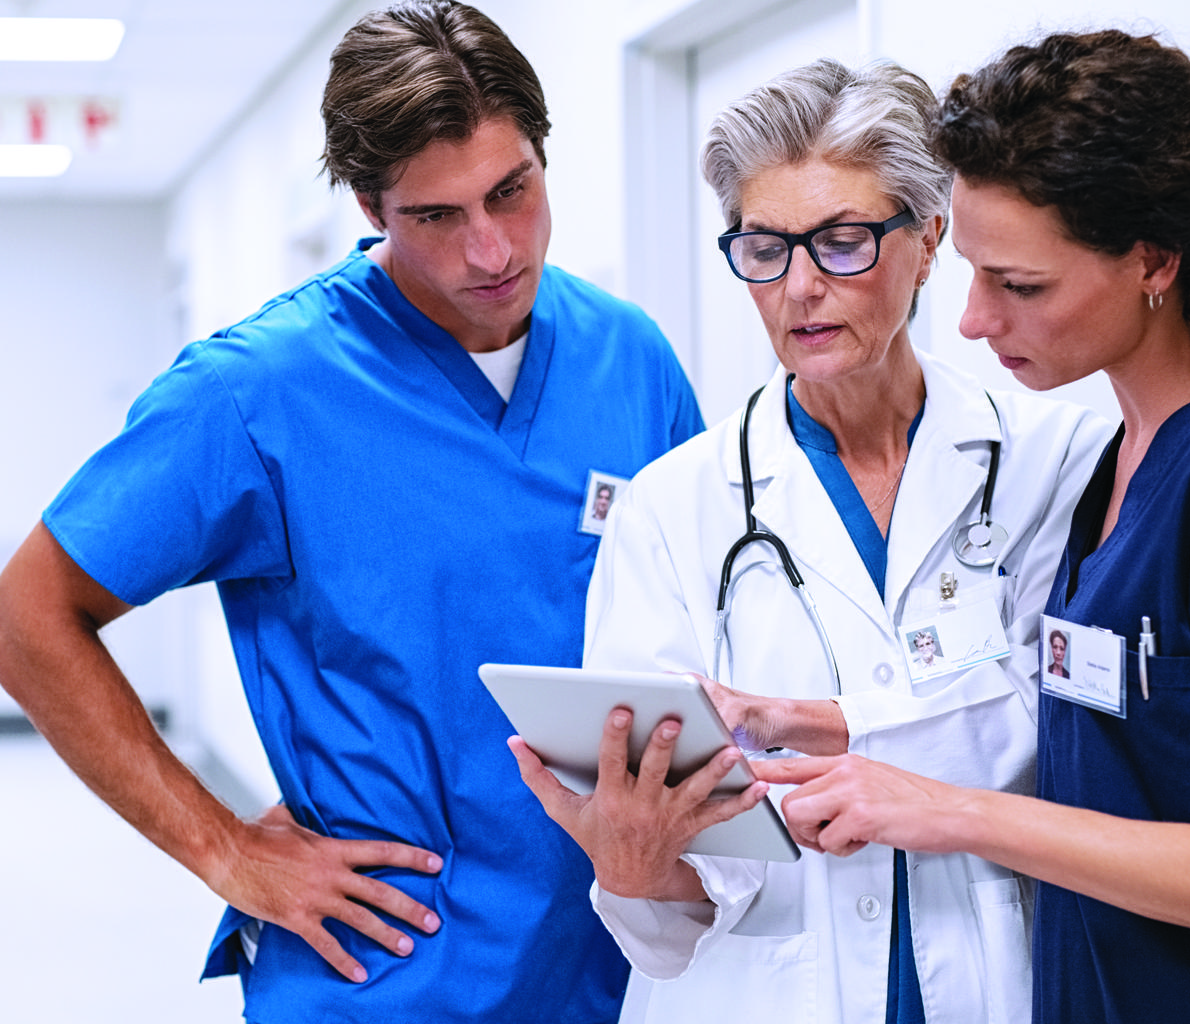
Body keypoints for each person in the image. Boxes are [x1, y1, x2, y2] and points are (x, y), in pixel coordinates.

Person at [0, 2, 702, 1022]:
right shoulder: (259, 392)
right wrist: (225, 848)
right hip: (383, 976)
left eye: (513, 190)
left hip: (617, 969)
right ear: (370, 205)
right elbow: (29, 617)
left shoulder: (629, 357)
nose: (492, 248)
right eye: (437, 217)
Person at [754, 30, 1190, 1023]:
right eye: (972, 272)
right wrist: (857, 732)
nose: (973, 320)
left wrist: (959, 816)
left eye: (1019, 285)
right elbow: (1129, 756)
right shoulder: (1120, 462)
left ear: (1153, 260)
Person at [509, 59, 1111, 1024]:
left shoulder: (1052, 460)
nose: (798, 288)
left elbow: (1059, 739)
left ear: (928, 242)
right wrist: (633, 857)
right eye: (764, 247)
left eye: (841, 242)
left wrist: (832, 726)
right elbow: (666, 933)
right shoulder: (673, 511)